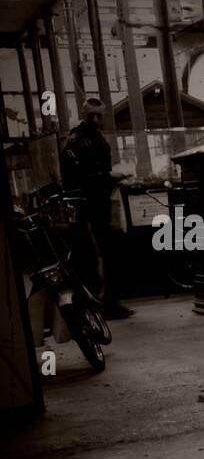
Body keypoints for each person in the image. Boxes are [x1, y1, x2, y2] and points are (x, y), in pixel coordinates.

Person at [60, 96, 132, 319]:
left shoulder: (85, 139)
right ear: (84, 114)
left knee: (102, 256)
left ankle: (104, 302)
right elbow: (82, 179)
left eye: (99, 115)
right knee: (96, 256)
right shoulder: (82, 141)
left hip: (92, 205)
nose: (96, 118)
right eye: (92, 114)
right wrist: (110, 177)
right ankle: (102, 303)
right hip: (89, 207)